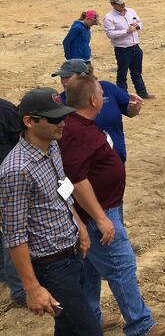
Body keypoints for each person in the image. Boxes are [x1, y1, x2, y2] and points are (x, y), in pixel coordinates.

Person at [60, 75, 165, 336]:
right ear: (93, 100)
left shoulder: (80, 124)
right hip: (98, 214)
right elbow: (78, 181)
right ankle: (141, 326)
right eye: (101, 94)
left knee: (91, 269)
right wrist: (101, 218)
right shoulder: (77, 132)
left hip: (99, 210)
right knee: (122, 266)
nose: (104, 97)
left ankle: (90, 318)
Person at [0, 87, 101, 334]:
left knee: (68, 328)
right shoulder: (16, 171)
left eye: (64, 116)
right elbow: (14, 234)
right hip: (52, 266)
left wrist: (79, 225)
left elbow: (62, 188)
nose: (63, 123)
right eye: (55, 118)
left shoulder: (52, 146)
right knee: (89, 330)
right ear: (29, 122)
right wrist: (32, 287)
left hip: (72, 252)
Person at [56, 59, 143, 164]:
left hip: (116, 158)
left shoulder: (107, 88)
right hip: (85, 164)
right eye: (62, 77)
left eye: (67, 77)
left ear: (83, 76)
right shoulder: (60, 101)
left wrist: (135, 107)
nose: (63, 82)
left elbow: (130, 112)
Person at [103, 0, 154, 99]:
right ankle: (122, 96)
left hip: (135, 47)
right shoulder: (109, 18)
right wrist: (126, 31)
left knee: (137, 72)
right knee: (122, 74)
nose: (123, 6)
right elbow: (110, 34)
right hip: (122, 49)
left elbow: (140, 23)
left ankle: (142, 92)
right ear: (113, 4)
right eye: (120, 4)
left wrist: (137, 26)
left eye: (123, 3)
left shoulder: (131, 11)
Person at [0, 97, 24, 306]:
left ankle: (4, 274)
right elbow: (20, 140)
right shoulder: (4, 109)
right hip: (7, 179)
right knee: (12, 231)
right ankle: (19, 289)